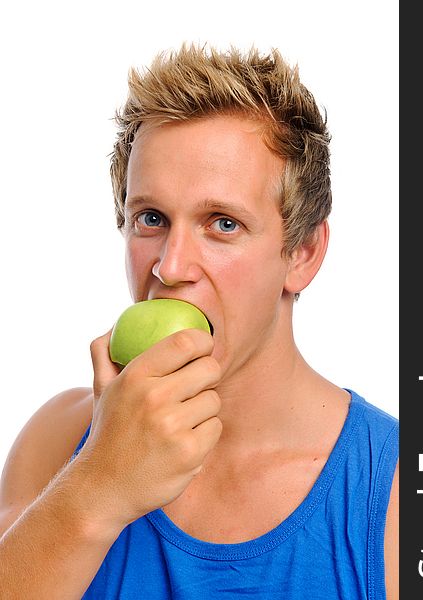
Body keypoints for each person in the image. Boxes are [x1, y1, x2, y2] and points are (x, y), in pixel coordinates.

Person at [0, 44, 399, 599]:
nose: (170, 266)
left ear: (303, 253)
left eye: (223, 224)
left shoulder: (403, 491)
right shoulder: (60, 440)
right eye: (151, 218)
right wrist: (97, 485)